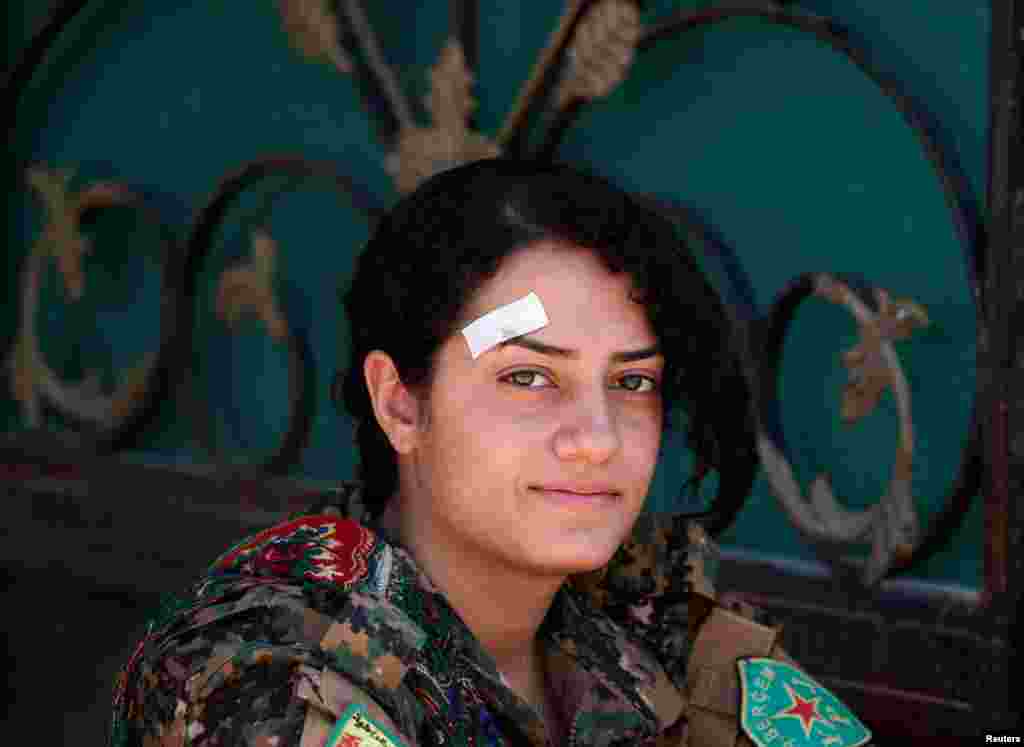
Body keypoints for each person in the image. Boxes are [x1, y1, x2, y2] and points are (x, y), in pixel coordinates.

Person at [110, 158, 872, 746]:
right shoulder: (271, 672)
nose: (597, 437)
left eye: (632, 380)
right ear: (401, 403)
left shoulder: (644, 603)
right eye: (529, 376)